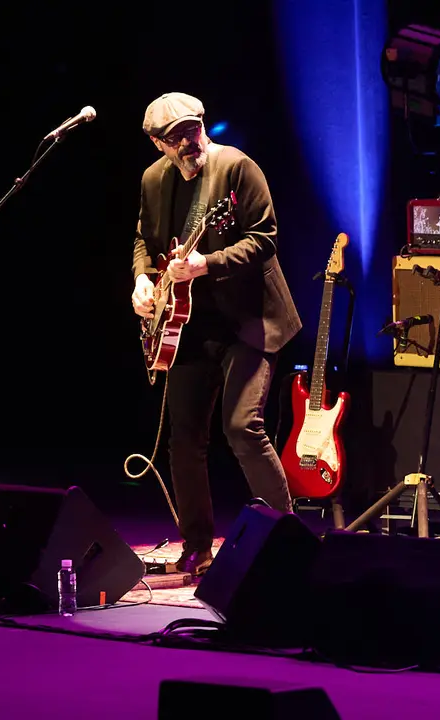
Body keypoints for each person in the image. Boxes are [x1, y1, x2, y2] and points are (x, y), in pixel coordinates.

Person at [131, 92, 303, 576]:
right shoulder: (153, 180)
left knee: (241, 426)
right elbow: (144, 236)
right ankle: (197, 547)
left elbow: (265, 238)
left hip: (250, 319)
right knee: (183, 438)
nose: (190, 142)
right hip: (188, 323)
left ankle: (285, 540)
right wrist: (144, 279)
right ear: (156, 143)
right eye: (176, 136)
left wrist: (207, 264)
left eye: (194, 129)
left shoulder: (236, 168)